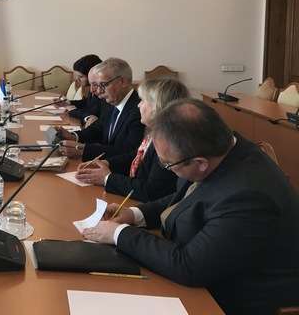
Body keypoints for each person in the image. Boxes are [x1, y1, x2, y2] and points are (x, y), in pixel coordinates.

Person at [82, 99, 299, 315]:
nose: (166, 167)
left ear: (200, 163)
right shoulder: (218, 149)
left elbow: (190, 266)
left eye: (167, 164)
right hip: (206, 274)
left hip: (235, 299)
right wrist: (134, 214)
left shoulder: (248, 196)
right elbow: (184, 197)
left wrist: (119, 234)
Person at [75, 78, 186, 202]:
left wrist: (107, 178)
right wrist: (107, 163)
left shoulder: (168, 143)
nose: (138, 105)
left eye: (143, 101)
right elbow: (136, 157)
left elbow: (152, 191)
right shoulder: (155, 132)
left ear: (157, 107)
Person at [60, 58, 145, 173]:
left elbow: (128, 152)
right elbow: (99, 128)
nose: (98, 91)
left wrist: (84, 150)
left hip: (118, 173)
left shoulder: (139, 110)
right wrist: (74, 136)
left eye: (103, 85)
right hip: (103, 167)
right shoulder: (111, 101)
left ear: (122, 82)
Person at [65, 54, 103, 122]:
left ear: (92, 75)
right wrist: (68, 102)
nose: (77, 79)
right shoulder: (92, 87)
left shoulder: (102, 92)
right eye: (76, 76)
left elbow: (92, 114)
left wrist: (73, 110)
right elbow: (87, 103)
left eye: (81, 77)